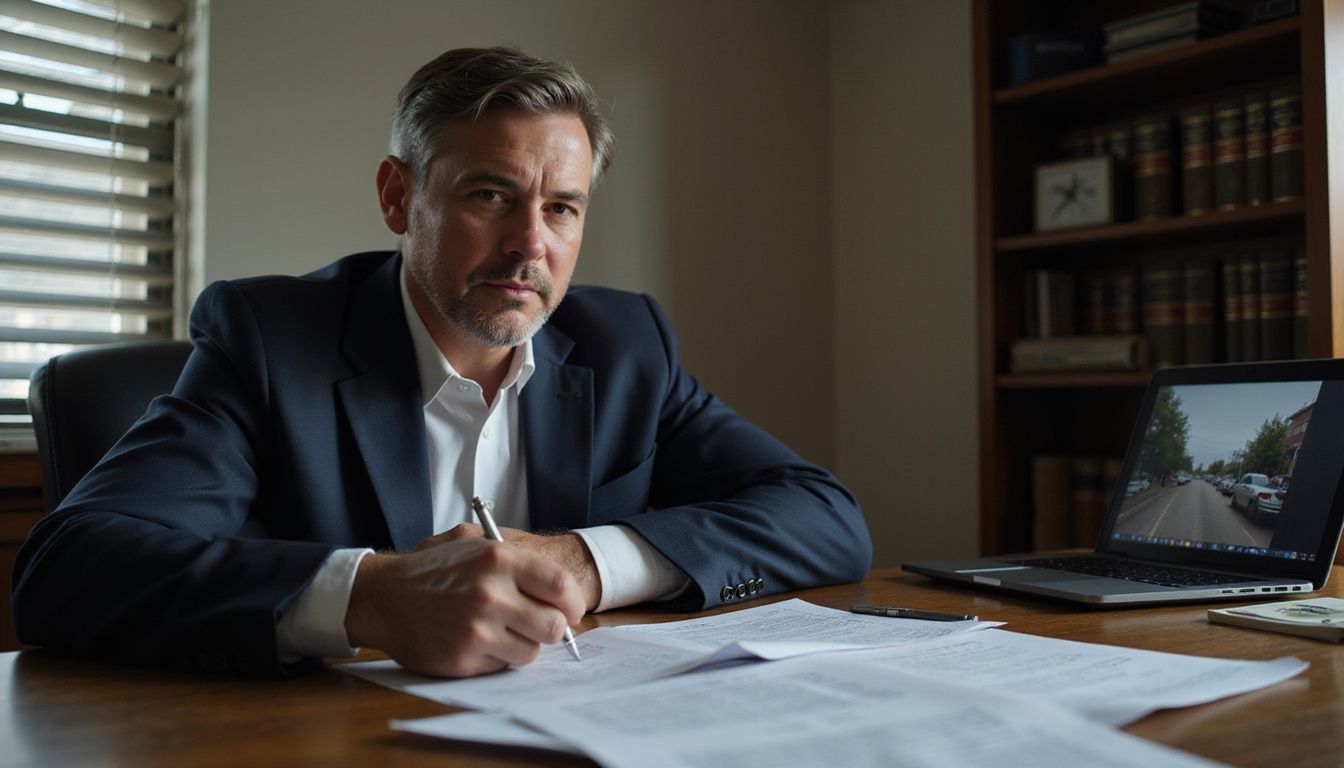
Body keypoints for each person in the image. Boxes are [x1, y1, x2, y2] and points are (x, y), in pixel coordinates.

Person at [11, 47, 871, 678]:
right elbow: (68, 567)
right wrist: (375, 596)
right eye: (490, 195)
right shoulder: (271, 341)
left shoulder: (625, 346)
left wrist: (584, 561)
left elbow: (827, 517)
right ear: (399, 196)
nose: (531, 244)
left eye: (563, 208)